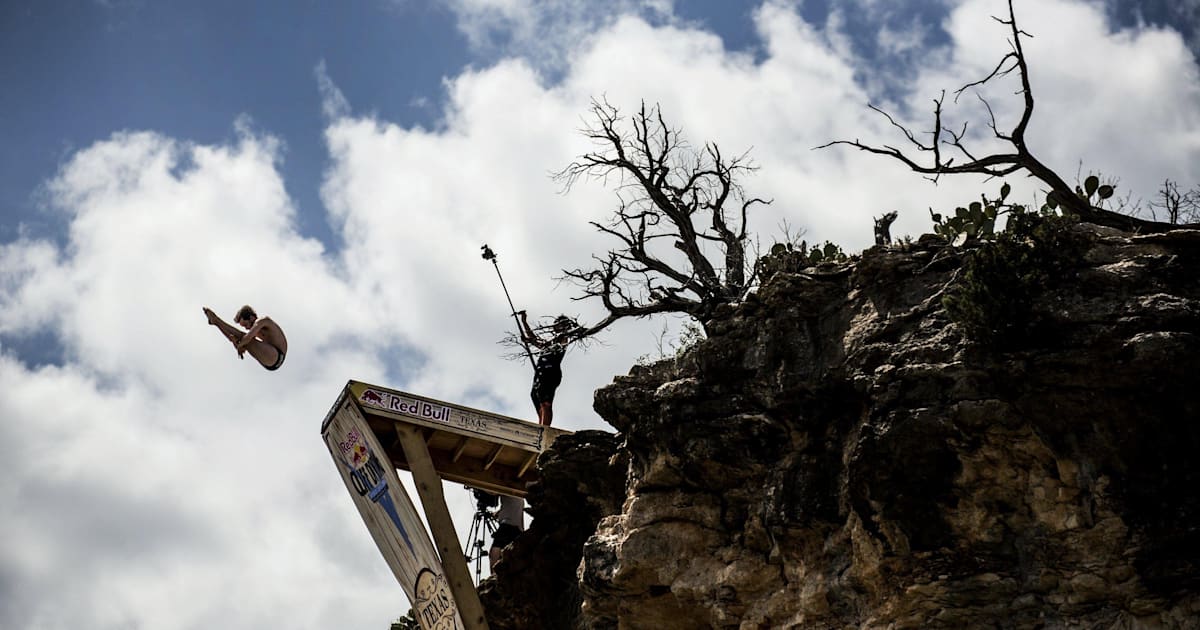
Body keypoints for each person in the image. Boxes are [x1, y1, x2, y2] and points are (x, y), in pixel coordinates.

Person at [516, 311, 577, 426]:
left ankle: (545, 428)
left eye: (557, 324)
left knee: (546, 402)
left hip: (551, 373)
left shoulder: (563, 339)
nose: (554, 326)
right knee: (535, 396)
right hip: (540, 373)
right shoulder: (548, 343)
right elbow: (534, 339)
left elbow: (539, 342)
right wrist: (524, 322)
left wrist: (530, 340)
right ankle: (541, 425)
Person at [203, 304, 287, 371]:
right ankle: (216, 322)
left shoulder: (263, 321)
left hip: (277, 356)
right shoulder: (254, 328)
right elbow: (242, 341)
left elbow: (247, 338)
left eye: (246, 325)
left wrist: (239, 346)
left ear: (251, 318)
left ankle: (216, 320)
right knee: (240, 338)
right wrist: (237, 344)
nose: (247, 328)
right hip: (270, 360)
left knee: (243, 337)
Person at [488, 494, 525, 571]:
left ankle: (495, 577)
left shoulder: (506, 487)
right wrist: (499, 513)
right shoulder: (517, 493)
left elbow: (491, 492)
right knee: (509, 555)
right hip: (518, 529)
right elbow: (511, 506)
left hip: (508, 525)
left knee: (495, 552)